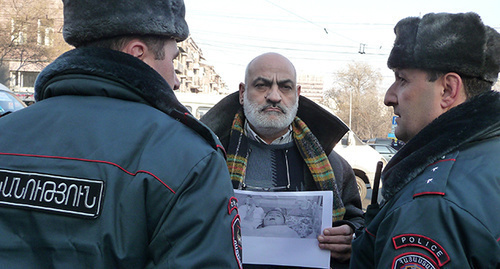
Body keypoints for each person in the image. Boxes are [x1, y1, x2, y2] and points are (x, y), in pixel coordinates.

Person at [0, 0, 242, 268]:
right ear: (137, 53)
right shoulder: (189, 157)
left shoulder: (6, 132)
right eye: (173, 59)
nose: (175, 80)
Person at [350, 12, 500, 268]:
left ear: (448, 90)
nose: (389, 96)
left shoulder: (430, 205)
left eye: (402, 79)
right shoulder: (488, 152)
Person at [201, 52, 364, 268]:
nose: (274, 96)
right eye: (262, 85)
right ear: (242, 93)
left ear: (297, 95)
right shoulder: (208, 158)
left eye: (285, 87)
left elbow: (359, 223)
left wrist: (350, 237)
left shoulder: (332, 165)